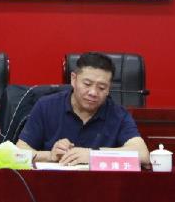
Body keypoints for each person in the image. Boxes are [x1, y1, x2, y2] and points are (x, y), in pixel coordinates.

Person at [16, 51, 150, 167]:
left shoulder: (118, 114)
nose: (93, 92)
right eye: (87, 84)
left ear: (109, 88)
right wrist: (49, 156)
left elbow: (143, 155)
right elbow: (18, 153)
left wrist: (93, 155)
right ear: (73, 79)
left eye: (101, 87)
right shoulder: (46, 106)